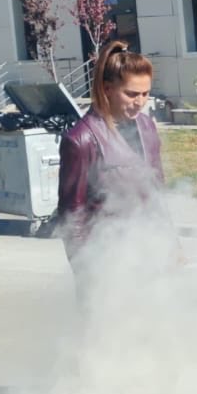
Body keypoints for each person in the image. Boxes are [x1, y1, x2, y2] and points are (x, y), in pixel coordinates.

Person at [56, 41, 164, 262]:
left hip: (151, 251)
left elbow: (157, 195)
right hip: (107, 259)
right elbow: (72, 217)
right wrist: (87, 272)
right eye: (131, 94)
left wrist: (172, 247)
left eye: (146, 93)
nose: (140, 102)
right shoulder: (81, 140)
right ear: (107, 89)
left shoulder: (147, 126)